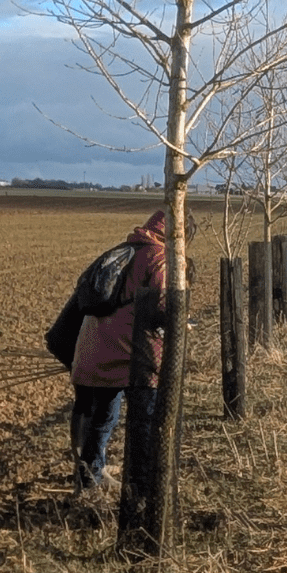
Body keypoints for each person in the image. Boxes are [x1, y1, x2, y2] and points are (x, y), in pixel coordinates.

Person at [65, 210, 169, 497]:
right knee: (143, 416)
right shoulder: (159, 257)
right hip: (126, 347)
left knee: (102, 416)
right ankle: (140, 486)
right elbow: (161, 305)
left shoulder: (125, 249)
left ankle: (88, 479)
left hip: (92, 342)